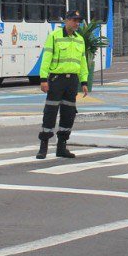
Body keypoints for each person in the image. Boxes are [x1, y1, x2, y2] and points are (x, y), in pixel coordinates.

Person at [37, 10, 90, 159]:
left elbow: (83, 62)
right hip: (56, 80)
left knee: (69, 114)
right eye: (74, 20)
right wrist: (43, 79)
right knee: (50, 112)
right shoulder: (54, 36)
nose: (76, 23)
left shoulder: (80, 39)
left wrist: (84, 81)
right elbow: (46, 58)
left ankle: (61, 147)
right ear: (66, 20)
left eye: (78, 21)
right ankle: (43, 147)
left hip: (72, 81)